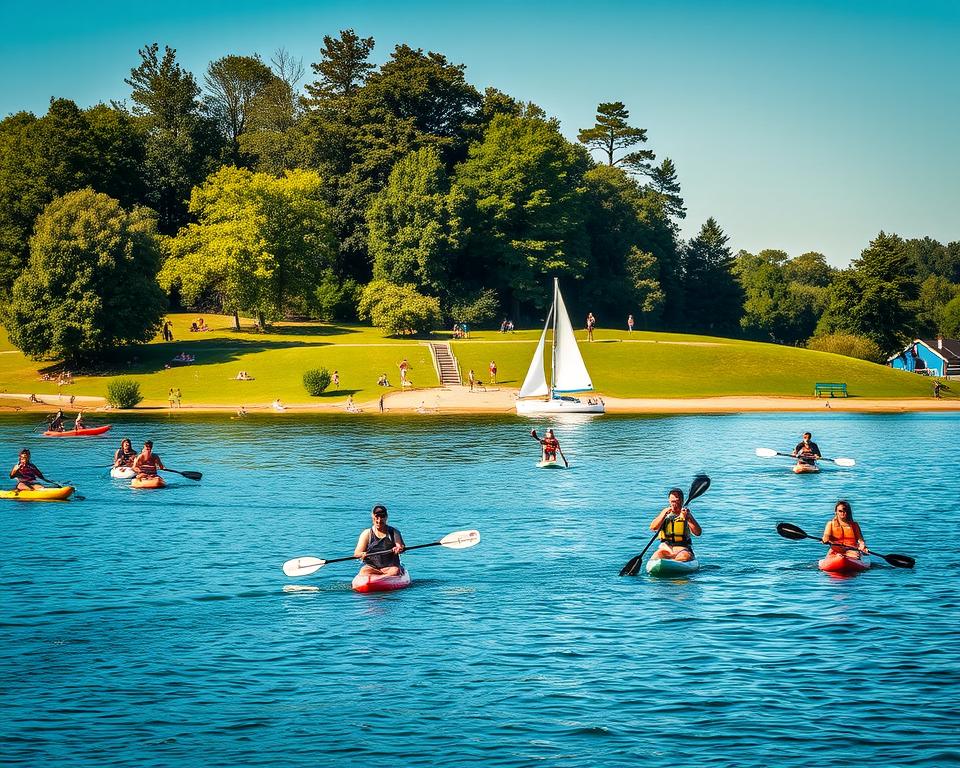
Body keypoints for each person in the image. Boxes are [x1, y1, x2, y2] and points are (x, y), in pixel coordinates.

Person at [648, 488, 702, 564]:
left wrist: (689, 518)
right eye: (672, 501)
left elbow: (698, 533)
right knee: (658, 555)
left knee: (684, 557)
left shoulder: (686, 514)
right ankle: (668, 564)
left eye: (677, 501)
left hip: (683, 548)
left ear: (682, 501)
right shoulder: (665, 513)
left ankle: (675, 564)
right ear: (669, 501)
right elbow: (653, 528)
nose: (674, 504)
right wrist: (663, 514)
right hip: (665, 547)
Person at [354, 504, 406, 577]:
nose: (379, 520)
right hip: (372, 567)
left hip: (390, 567)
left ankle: (381, 579)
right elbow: (357, 553)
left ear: (386, 517)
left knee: (395, 571)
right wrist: (362, 554)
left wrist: (398, 548)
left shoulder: (394, 532)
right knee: (363, 571)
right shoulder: (366, 533)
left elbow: (400, 546)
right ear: (372, 517)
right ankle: (377, 580)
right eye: (377, 517)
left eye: (382, 517)